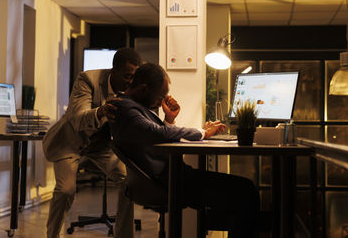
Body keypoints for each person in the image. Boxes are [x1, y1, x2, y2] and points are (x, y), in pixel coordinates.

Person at [109, 63, 260, 238]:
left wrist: (169, 119)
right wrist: (203, 132)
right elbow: (157, 133)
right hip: (167, 182)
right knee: (246, 191)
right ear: (143, 89)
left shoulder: (131, 106)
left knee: (242, 191)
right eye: (160, 96)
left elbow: (151, 137)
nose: (162, 101)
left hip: (172, 177)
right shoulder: (124, 108)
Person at [42, 48, 142, 238]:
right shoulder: (87, 80)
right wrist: (101, 112)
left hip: (101, 147)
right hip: (70, 143)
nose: (131, 81)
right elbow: (77, 119)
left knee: (129, 182)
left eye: (134, 77)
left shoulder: (133, 88)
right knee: (65, 190)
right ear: (114, 70)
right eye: (127, 76)